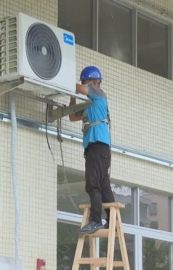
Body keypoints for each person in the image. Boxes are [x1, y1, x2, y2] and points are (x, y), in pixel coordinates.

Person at [69, 66, 115, 234]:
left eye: (86, 82)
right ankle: (112, 222)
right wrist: (72, 97)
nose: (84, 86)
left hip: (97, 146)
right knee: (103, 185)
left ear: (95, 82)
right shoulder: (91, 105)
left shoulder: (99, 93)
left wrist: (67, 82)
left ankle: (96, 220)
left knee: (92, 184)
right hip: (100, 149)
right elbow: (72, 116)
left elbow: (77, 88)